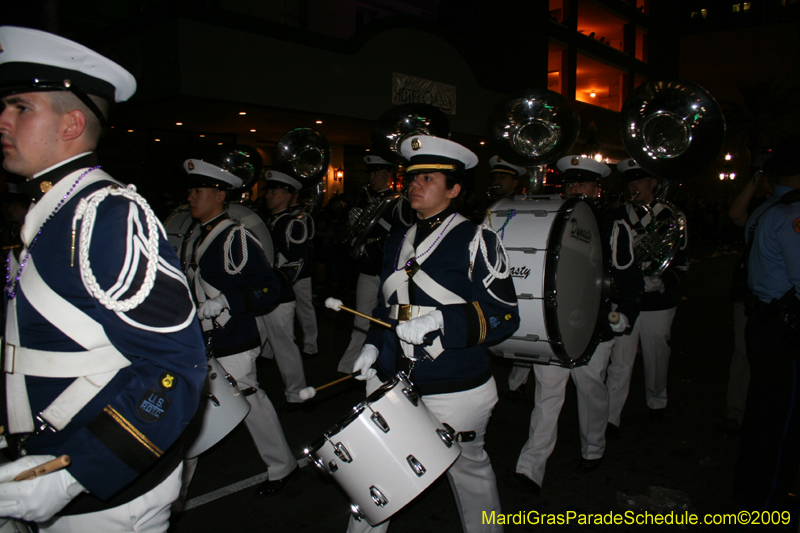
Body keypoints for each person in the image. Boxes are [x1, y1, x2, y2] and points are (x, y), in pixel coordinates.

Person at [0, 25, 207, 531]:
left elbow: (175, 370)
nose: (2, 120)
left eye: (21, 107)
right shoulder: (53, 213)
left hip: (102, 494)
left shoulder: (106, 215)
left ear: (72, 123)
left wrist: (75, 473)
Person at [347, 135, 520, 533]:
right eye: (413, 178)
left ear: (454, 190)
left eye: (428, 178)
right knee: (374, 477)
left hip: (456, 384)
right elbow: (388, 307)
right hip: (393, 381)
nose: (415, 185)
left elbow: (505, 316)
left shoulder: (477, 239)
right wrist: (372, 345)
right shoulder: (396, 240)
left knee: (468, 471)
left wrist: (442, 321)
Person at [505, 156, 642, 494]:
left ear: (597, 190)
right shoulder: (551, 222)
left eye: (583, 183)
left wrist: (624, 313)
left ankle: (593, 447)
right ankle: (531, 465)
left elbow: (630, 281)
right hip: (554, 325)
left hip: (594, 327)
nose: (575, 189)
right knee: (547, 396)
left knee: (590, 389)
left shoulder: (613, 228)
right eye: (571, 183)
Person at [179, 158, 301, 499]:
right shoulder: (198, 235)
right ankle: (175, 493)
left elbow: (269, 287)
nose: (191, 197)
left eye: (198, 191)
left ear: (220, 195)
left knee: (246, 402)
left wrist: (227, 300)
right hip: (205, 338)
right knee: (202, 408)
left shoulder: (236, 237)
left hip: (233, 338)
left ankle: (282, 466)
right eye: (190, 190)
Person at [734, 140, 800, 512]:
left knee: (761, 412)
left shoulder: (767, 208)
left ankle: (750, 488)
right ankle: (770, 502)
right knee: (783, 420)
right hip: (783, 329)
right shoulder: (792, 214)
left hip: (762, 320)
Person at [605, 159, 688, 427]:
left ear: (653, 182)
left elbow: (681, 261)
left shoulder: (670, 216)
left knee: (657, 355)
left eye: (640, 180)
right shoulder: (617, 216)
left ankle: (657, 400)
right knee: (619, 360)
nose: (634, 186)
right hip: (624, 298)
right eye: (631, 181)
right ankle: (611, 416)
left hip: (657, 300)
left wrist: (663, 281)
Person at [337, 155, 412, 374]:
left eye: (377, 172)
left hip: (390, 269)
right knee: (361, 318)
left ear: (388, 173)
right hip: (368, 266)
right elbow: (351, 232)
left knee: (393, 318)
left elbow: (403, 234)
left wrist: (376, 223)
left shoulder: (398, 201)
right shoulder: (363, 201)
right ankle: (349, 366)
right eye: (370, 172)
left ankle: (391, 364)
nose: (372, 177)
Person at [258, 170, 311, 404]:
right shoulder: (265, 221)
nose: (268, 195)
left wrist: (273, 283)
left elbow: (297, 263)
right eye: (269, 190)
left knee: (284, 347)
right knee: (249, 346)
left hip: (278, 296)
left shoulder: (293, 225)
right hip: (259, 294)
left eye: (274, 191)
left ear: (289, 195)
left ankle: (297, 394)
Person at [289, 194, 319, 357]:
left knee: (304, 309)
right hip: (284, 271)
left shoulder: (304, 217)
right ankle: (268, 350)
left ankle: (310, 346)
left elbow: (304, 244)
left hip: (300, 272)